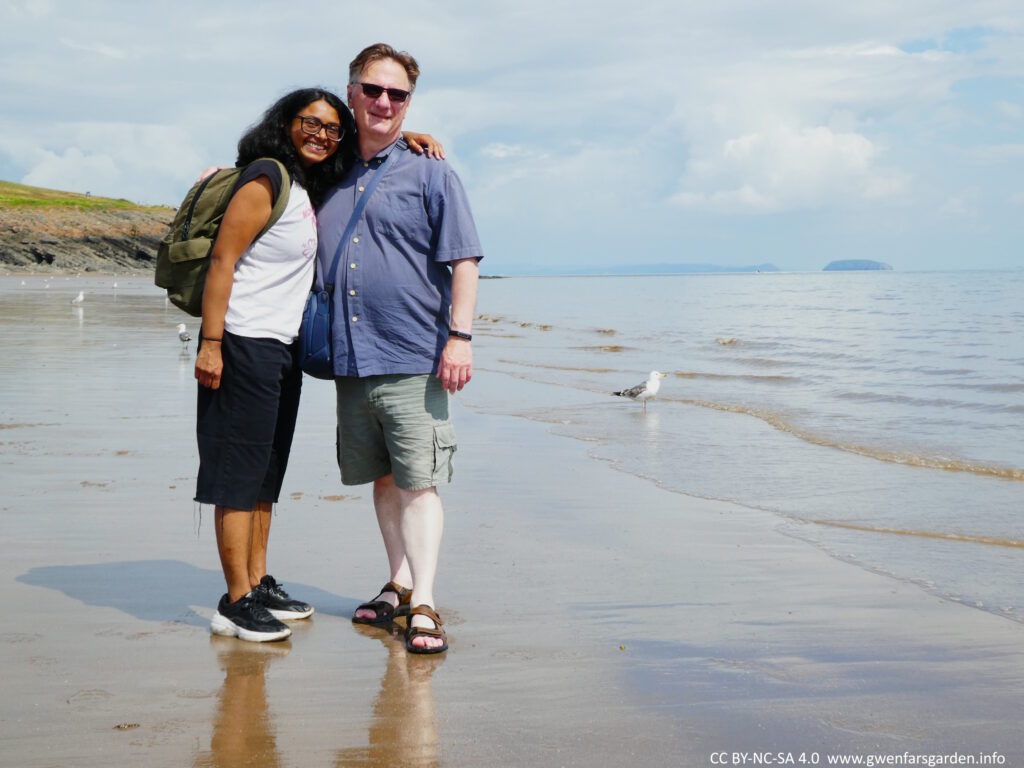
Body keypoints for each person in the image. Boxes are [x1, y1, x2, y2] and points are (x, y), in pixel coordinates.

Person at [194, 87, 442, 643]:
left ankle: (256, 585)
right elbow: (222, 260)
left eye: (332, 129)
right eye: (311, 123)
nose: (323, 135)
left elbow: (372, 152)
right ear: (286, 123)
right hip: (242, 341)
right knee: (238, 478)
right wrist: (211, 342)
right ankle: (235, 603)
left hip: (281, 348)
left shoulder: (306, 184)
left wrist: (411, 138)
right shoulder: (266, 178)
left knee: (265, 475)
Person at [316, 44, 483, 654]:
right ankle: (398, 582)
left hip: (416, 352)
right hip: (350, 356)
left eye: (398, 94)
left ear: (409, 102)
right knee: (382, 480)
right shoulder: (326, 168)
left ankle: (426, 602)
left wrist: (460, 339)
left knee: (418, 481)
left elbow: (464, 260)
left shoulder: (432, 171)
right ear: (352, 92)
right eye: (372, 89)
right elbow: (266, 164)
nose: (384, 102)